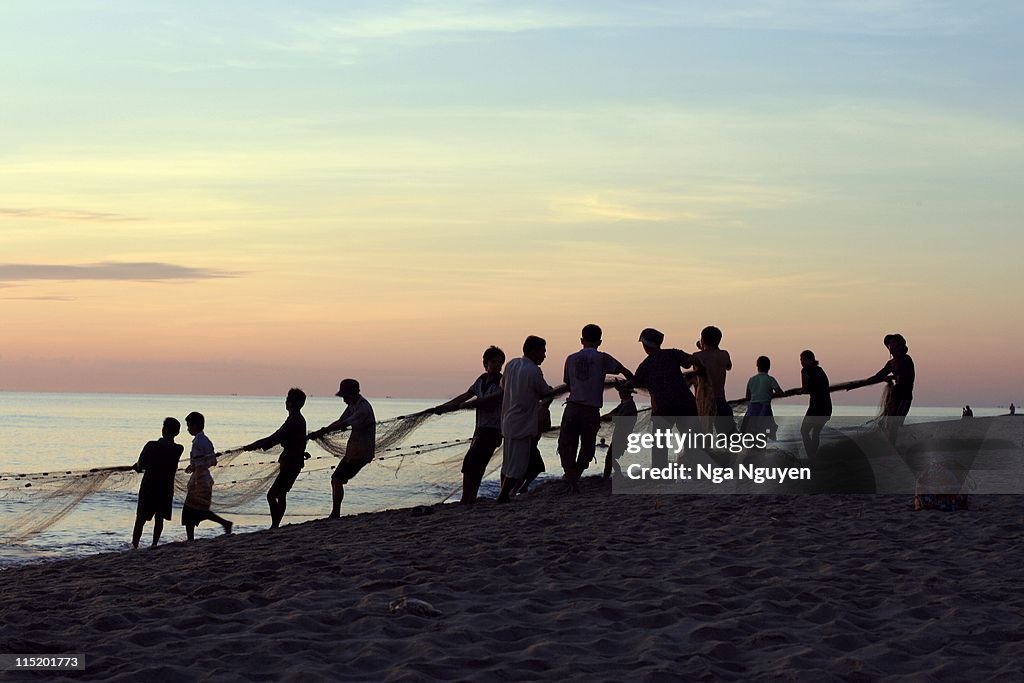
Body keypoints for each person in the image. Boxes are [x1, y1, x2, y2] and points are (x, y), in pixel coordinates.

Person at [558, 324, 634, 493]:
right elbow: (626, 372)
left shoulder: (570, 359)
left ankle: (572, 483)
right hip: (591, 410)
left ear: (581, 340)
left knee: (566, 446)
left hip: (573, 407)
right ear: (600, 341)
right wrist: (630, 386)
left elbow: (568, 383)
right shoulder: (603, 358)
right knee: (587, 447)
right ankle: (574, 481)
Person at [432, 346, 506, 504]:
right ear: (485, 363)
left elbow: (490, 404)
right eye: (494, 362)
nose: (498, 365)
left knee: (474, 463)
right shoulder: (481, 380)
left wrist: (472, 404)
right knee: (471, 465)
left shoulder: (502, 382)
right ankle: (468, 497)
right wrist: (445, 407)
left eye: (500, 362)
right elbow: (466, 395)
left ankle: (468, 498)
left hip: (493, 430)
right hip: (480, 429)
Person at [629, 328, 699, 468]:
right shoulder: (672, 354)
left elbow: (634, 383)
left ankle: (660, 473)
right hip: (685, 403)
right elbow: (690, 361)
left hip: (663, 407)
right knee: (691, 440)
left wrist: (622, 384)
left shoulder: (646, 364)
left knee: (660, 444)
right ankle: (695, 469)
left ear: (645, 345)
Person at [309, 379, 376, 518]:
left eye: (345, 396)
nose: (344, 400)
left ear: (352, 393)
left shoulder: (363, 408)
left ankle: (335, 513)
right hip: (354, 451)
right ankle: (335, 512)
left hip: (361, 452)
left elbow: (343, 424)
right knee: (336, 479)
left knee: (337, 479)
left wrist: (322, 432)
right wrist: (323, 430)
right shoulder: (353, 405)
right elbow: (340, 421)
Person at [243, 388, 308, 529]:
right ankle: (276, 525)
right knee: (281, 494)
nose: (285, 402)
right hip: (292, 461)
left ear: (291, 403)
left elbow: (275, 437)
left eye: (287, 399)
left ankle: (275, 526)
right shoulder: (296, 419)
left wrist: (255, 445)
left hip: (291, 463)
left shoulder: (294, 420)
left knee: (272, 495)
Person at [498, 335, 552, 502]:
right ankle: (503, 495)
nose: (544, 355)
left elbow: (503, 385)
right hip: (522, 424)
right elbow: (545, 392)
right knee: (517, 465)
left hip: (508, 421)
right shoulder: (533, 370)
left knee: (508, 462)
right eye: (543, 352)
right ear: (534, 351)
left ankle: (504, 493)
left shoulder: (511, 364)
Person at [131, 417, 184, 549]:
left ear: (163, 430)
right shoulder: (178, 449)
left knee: (140, 519)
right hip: (165, 488)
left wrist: (137, 466)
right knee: (159, 518)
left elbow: (141, 465)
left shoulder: (151, 445)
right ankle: (154, 544)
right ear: (177, 433)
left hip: (149, 486)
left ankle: (135, 545)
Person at [181, 412, 232, 541]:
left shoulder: (199, 441)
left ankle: (191, 539)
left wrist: (197, 466)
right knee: (197, 509)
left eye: (189, 426)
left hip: (200, 482)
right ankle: (225, 523)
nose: (188, 429)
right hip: (202, 479)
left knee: (191, 510)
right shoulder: (204, 440)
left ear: (196, 425)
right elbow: (211, 460)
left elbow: (210, 460)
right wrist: (193, 466)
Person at [870, 333, 915, 442]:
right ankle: (891, 444)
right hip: (895, 397)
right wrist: (867, 381)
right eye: (889, 344)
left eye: (894, 343)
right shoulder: (891, 363)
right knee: (888, 423)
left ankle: (894, 445)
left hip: (905, 396)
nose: (891, 346)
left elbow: (906, 378)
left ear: (900, 345)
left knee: (894, 424)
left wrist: (892, 377)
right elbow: (880, 375)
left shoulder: (906, 359)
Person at [692, 326, 736, 436]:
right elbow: (728, 366)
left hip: (703, 404)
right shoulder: (724, 354)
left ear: (702, 340)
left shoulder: (697, 356)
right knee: (729, 438)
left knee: (702, 440)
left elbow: (699, 370)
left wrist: (702, 349)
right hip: (720, 400)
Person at [741, 356, 784, 440]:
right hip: (764, 410)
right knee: (763, 434)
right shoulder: (770, 379)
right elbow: (780, 393)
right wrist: (769, 394)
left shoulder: (751, 380)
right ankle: (761, 452)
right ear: (769, 367)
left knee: (751, 434)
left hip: (752, 410)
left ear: (757, 366)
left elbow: (748, 397)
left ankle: (751, 452)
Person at [799, 350, 832, 458]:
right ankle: (814, 455)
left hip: (816, 406)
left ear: (810, 359)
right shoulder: (820, 369)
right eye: (801, 360)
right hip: (827, 406)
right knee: (815, 432)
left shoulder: (805, 370)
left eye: (804, 359)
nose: (802, 362)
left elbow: (804, 389)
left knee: (804, 431)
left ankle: (811, 456)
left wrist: (799, 391)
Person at [603, 384, 638, 478]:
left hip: (622, 436)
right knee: (611, 456)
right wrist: (603, 418)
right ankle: (617, 474)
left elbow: (620, 419)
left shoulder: (629, 406)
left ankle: (608, 477)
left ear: (626, 393)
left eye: (621, 392)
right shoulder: (624, 403)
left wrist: (609, 418)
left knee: (610, 456)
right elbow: (613, 413)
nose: (619, 393)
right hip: (619, 434)